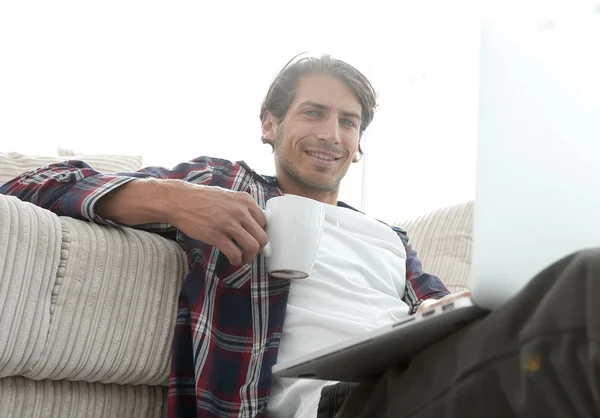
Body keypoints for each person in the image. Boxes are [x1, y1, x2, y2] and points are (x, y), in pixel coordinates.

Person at [1, 55, 597, 418]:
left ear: (359, 143)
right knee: (587, 282)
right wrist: (172, 199)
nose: (331, 133)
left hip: (421, 375)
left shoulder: (390, 237)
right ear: (270, 124)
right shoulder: (224, 185)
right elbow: (33, 182)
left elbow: (439, 306)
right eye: (313, 113)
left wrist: (455, 306)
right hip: (335, 405)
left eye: (348, 122)